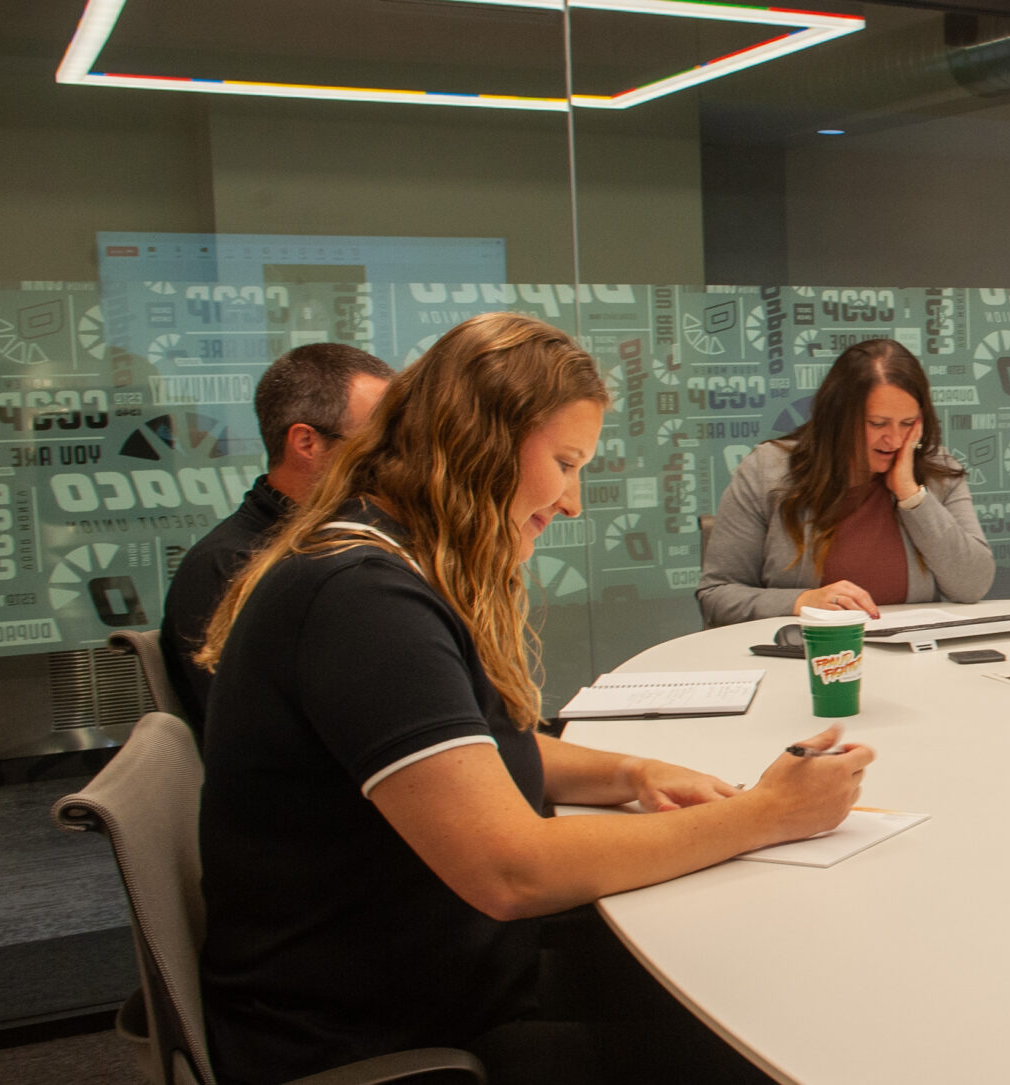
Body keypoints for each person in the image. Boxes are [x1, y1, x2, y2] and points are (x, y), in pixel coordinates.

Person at [194, 312, 873, 1084]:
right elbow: (512, 870)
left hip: (439, 979)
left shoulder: (385, 562)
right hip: (392, 1038)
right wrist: (766, 813)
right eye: (565, 461)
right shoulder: (363, 600)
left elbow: (464, 749)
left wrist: (629, 773)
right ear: (480, 442)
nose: (574, 501)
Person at [159, 342, 392, 735]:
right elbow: (266, 734)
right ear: (306, 443)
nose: (394, 458)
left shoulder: (353, 542)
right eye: (377, 441)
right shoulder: (227, 567)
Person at [697, 338, 991, 625]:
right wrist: (801, 602)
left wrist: (912, 497)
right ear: (838, 416)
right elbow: (717, 596)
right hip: (803, 661)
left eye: (907, 424)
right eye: (877, 423)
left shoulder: (937, 470)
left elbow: (972, 584)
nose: (895, 440)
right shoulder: (767, 470)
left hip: (911, 663)